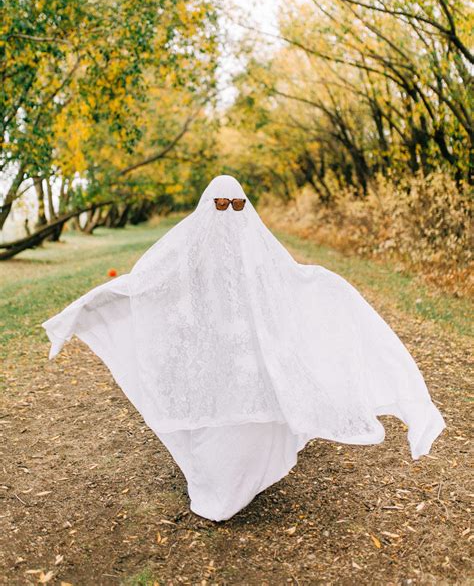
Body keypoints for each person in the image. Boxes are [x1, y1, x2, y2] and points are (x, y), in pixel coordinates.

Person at [42, 174, 445, 521]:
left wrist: (324, 283)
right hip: (206, 361)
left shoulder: (257, 251)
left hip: (250, 361)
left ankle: (242, 483)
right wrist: (78, 313)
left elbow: (290, 283)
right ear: (207, 205)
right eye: (220, 203)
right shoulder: (188, 250)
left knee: (252, 423)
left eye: (237, 203)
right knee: (213, 425)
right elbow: (140, 286)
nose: (229, 211)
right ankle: (215, 491)